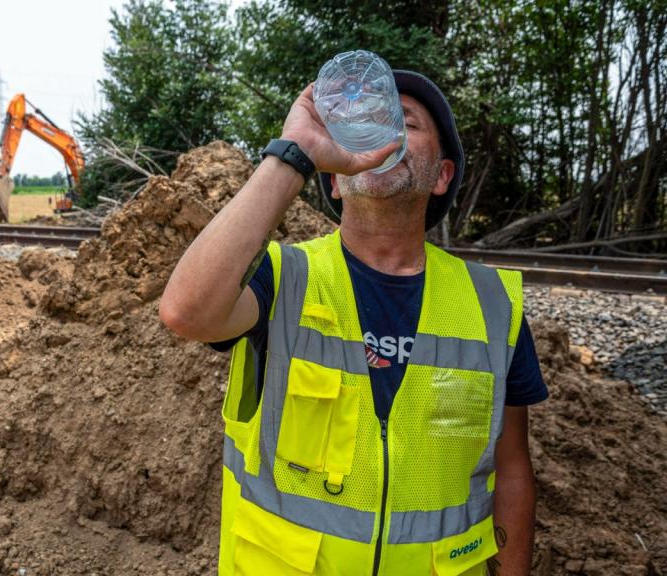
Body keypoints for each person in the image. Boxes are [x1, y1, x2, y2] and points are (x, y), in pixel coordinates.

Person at [159, 71, 547, 576]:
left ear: (443, 174)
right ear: (337, 180)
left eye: (404, 123)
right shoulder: (282, 277)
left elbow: (512, 467)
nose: (383, 134)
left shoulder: (493, 305)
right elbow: (185, 313)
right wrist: (295, 150)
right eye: (366, 123)